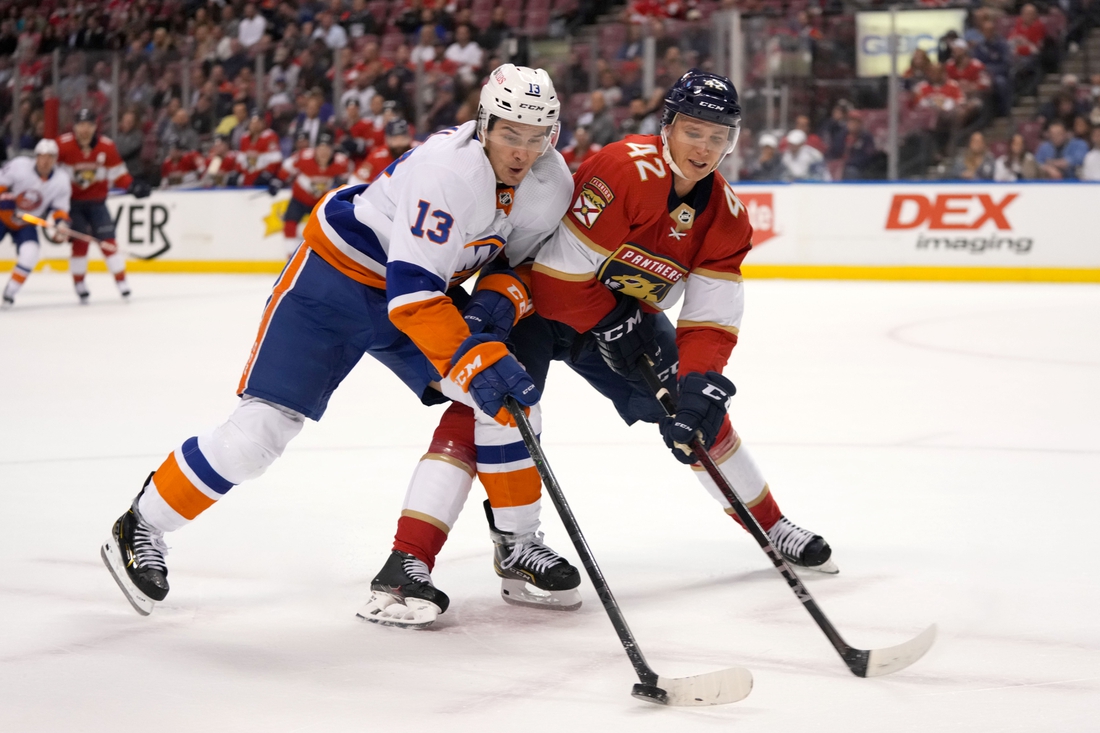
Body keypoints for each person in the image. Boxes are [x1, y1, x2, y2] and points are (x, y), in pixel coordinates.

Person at [362, 70, 836, 629]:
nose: (704, 147)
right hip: (531, 303)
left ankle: (771, 526)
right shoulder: (624, 169)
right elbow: (557, 282)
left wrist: (699, 379)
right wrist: (615, 321)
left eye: (718, 136)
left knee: (698, 411)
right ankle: (411, 559)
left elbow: (710, 320)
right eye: (693, 131)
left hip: (618, 316)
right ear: (667, 127)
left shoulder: (727, 217)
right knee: (490, 408)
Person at [100, 64, 573, 619]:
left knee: (508, 403)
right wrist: (474, 355)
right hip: (334, 283)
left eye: (536, 137)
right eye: (510, 133)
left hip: (418, 291)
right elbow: (413, 297)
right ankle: (141, 524)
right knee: (259, 435)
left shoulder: (550, 185)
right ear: (484, 124)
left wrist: (497, 300)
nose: (522, 151)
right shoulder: (448, 172)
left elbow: (521, 263)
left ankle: (514, 544)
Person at [56, 108, 151, 304]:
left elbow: (119, 175)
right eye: (81, 125)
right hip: (73, 204)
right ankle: (79, 284)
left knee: (109, 242)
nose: (84, 129)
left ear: (95, 127)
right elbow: (50, 173)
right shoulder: (61, 146)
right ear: (75, 127)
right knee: (80, 243)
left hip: (97, 204)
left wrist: (133, 186)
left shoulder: (107, 147)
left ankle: (121, 282)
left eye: (88, 125)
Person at [1, 139, 71, 308]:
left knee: (30, 253)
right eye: (42, 156)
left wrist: (61, 223)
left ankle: (10, 293)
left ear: (55, 159)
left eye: (50, 157)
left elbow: (60, 208)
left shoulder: (61, 180)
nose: (45, 161)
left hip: (26, 223)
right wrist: (6, 203)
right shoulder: (19, 166)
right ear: (36, 157)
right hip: (2, 217)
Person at [267, 130, 352, 257]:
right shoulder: (303, 157)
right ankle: (292, 257)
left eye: (327, 149)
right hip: (299, 199)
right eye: (320, 149)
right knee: (290, 224)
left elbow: (350, 177)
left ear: (333, 150)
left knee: (327, 228)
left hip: (321, 202)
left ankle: (323, 257)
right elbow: (288, 166)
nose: (323, 153)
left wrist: (344, 183)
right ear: (315, 149)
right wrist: (278, 180)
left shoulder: (341, 162)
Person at [350, 117, 413, 184]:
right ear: (387, 139)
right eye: (394, 139)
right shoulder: (377, 157)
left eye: (403, 139)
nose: (399, 143)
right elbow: (356, 181)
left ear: (410, 138)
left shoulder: (419, 151)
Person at [237, 110, 283, 187]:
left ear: (263, 123)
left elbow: (276, 159)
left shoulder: (270, 136)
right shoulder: (244, 137)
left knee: (264, 178)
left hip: (264, 172)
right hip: (248, 173)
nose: (255, 125)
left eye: (258, 122)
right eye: (252, 122)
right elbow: (240, 159)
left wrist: (265, 169)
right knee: (234, 178)